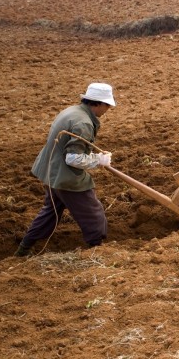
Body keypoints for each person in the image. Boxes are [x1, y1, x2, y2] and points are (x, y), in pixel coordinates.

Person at [15, 83, 116, 257]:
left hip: (50, 171)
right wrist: (98, 160)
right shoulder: (83, 123)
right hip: (64, 177)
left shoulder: (72, 111)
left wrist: (95, 156)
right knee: (94, 214)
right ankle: (97, 252)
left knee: (50, 213)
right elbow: (73, 158)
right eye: (107, 105)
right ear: (98, 103)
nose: (108, 109)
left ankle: (23, 249)